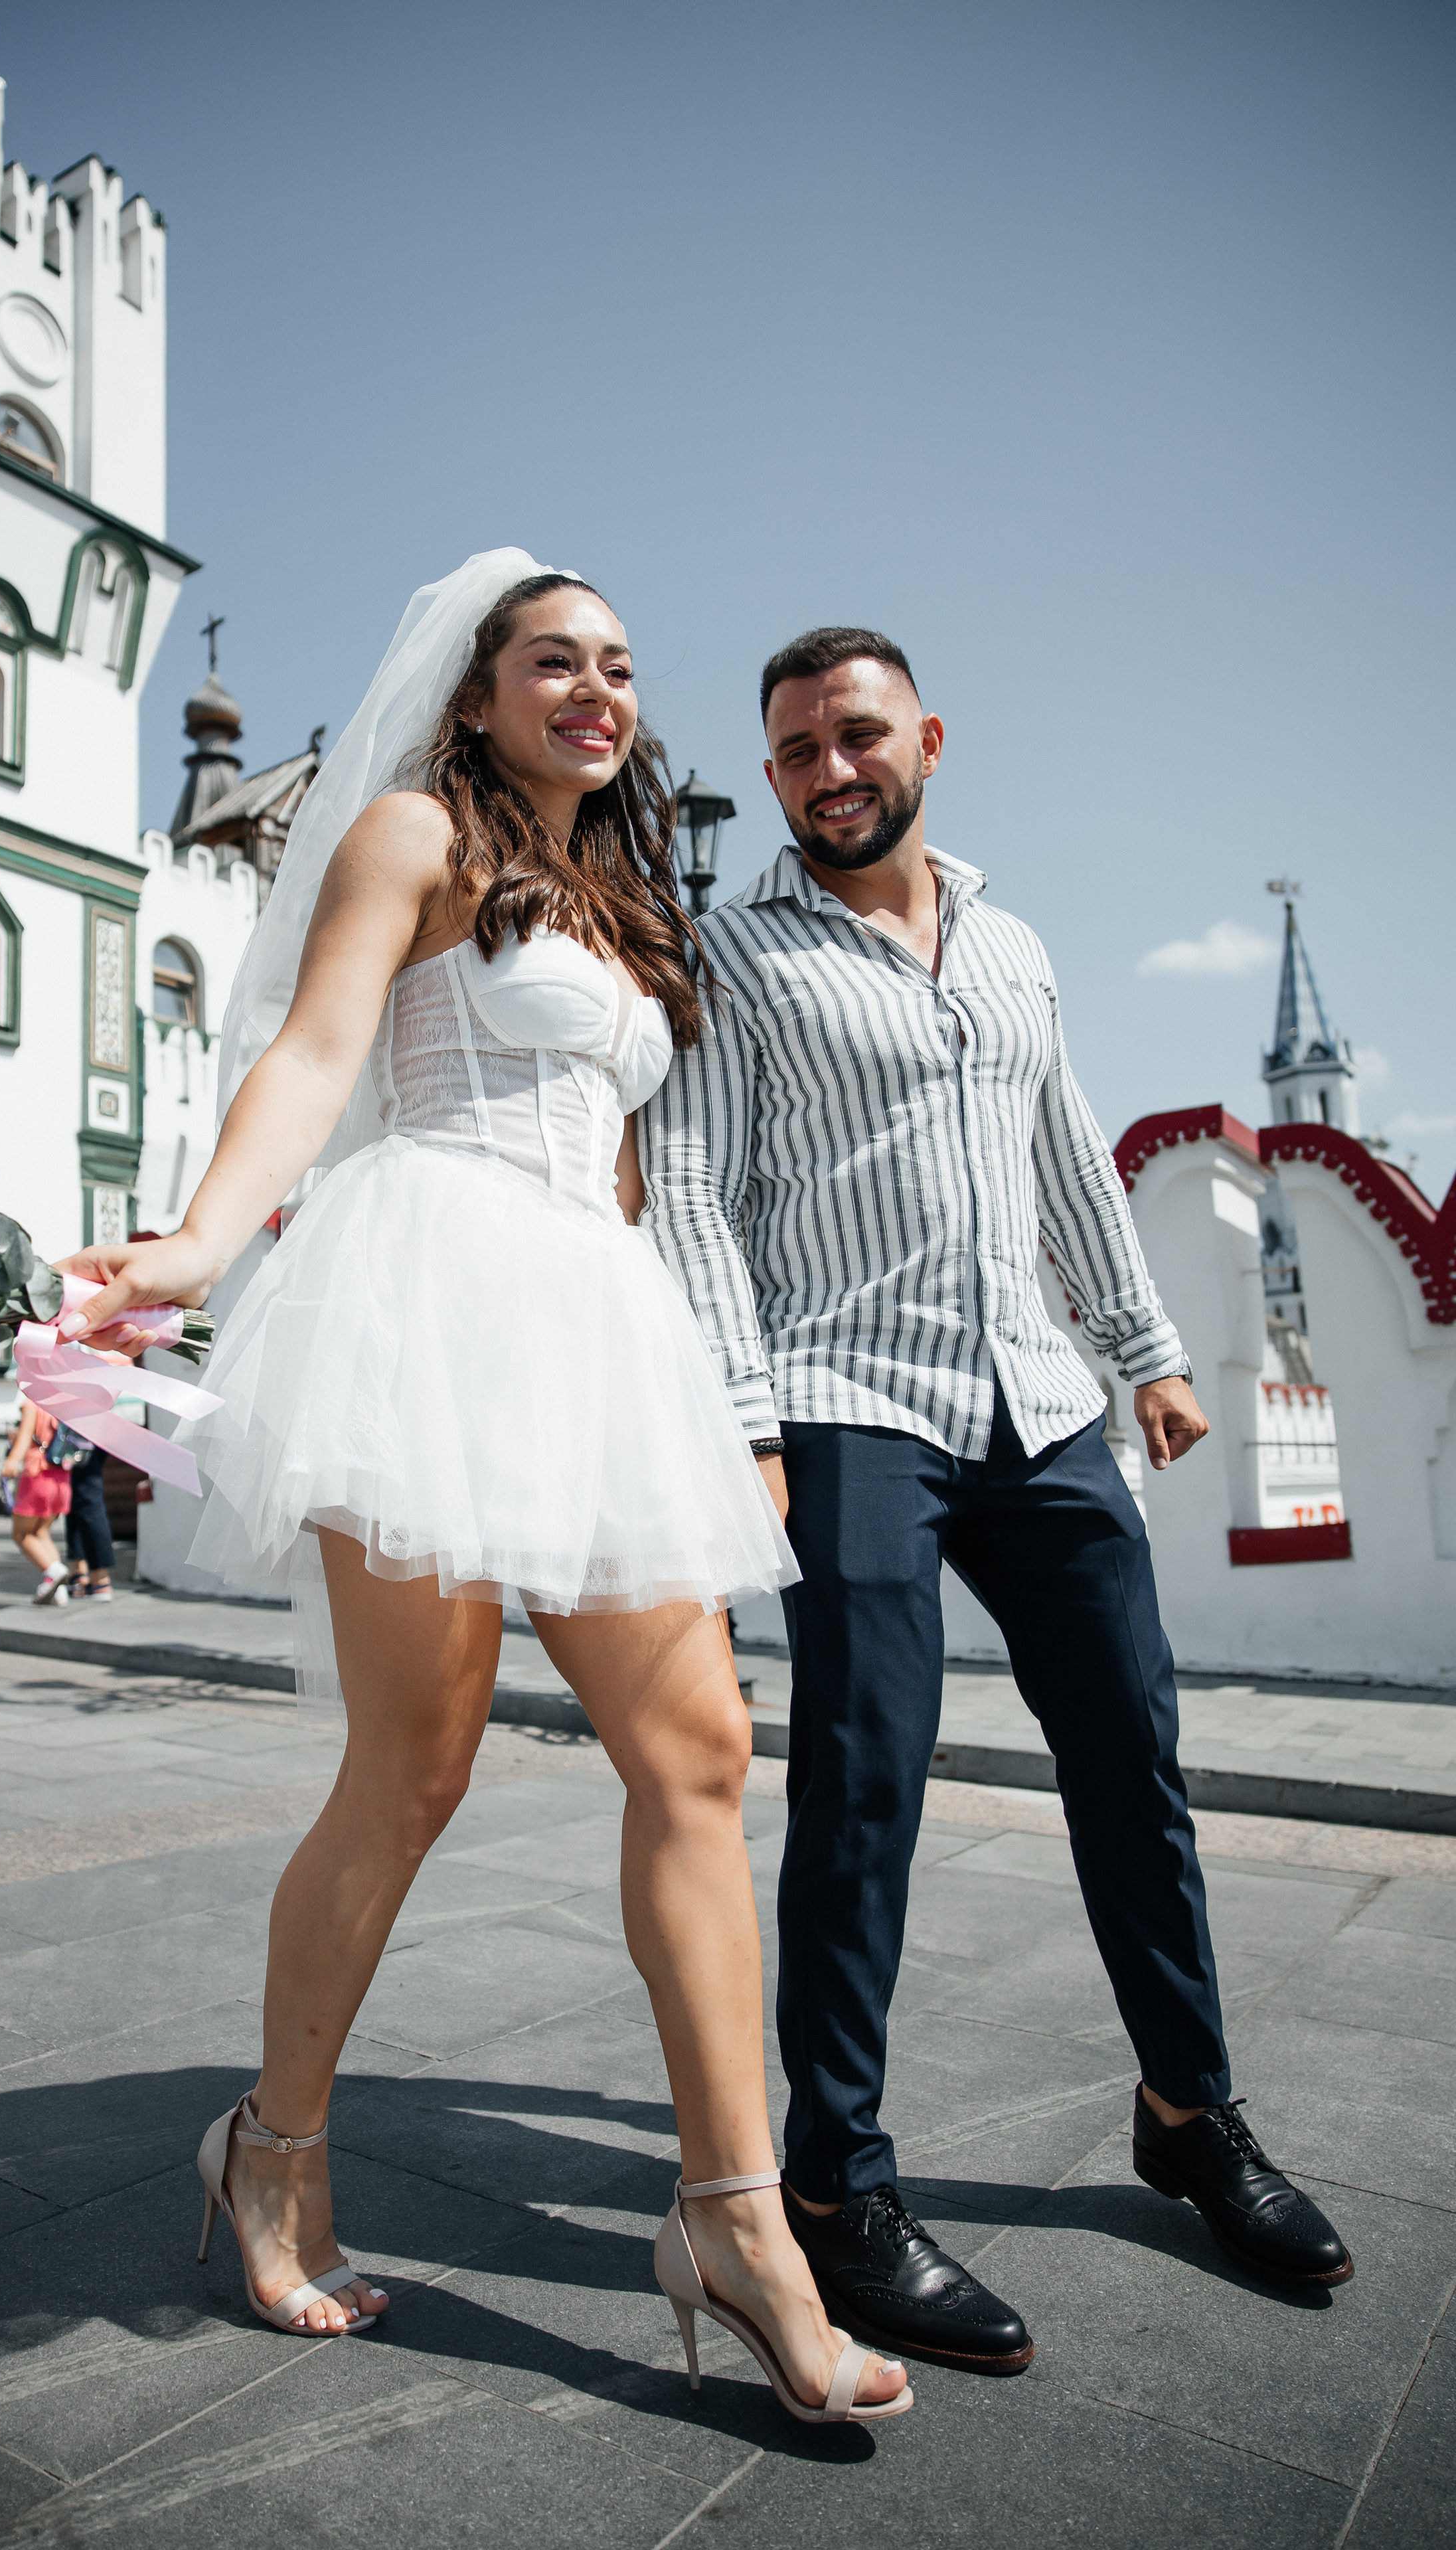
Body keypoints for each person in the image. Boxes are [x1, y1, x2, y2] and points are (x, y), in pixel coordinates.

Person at [53, 554, 909, 2426]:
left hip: (593, 1323)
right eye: (556, 662)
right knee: (415, 1769)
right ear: (480, 684)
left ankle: (735, 2222)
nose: (596, 692)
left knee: (697, 1755)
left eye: (616, 666)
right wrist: (202, 1240)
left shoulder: (615, 889)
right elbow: (316, 1050)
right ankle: (272, 2145)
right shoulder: (409, 832)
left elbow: (631, 1160)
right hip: (430, 1289)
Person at [639, 624, 1354, 2377]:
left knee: (1135, 1754)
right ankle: (836, 2188)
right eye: (797, 748)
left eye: (857, 736)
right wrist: (744, 1415)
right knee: (866, 1782)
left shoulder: (1014, 945)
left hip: (1041, 1411)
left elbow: (1063, 1149)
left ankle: (1190, 2114)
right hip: (846, 1402)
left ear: (928, 741)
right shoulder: (731, 955)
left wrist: (1147, 1349)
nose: (828, 772)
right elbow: (692, 1188)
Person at [3, 1397, 72, 1604]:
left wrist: (11, 1461)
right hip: (62, 1478)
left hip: (38, 1474)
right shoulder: (66, 1403)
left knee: (21, 1533)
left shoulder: (34, 1404)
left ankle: (54, 1571)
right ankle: (59, 1593)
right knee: (41, 1532)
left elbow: (25, 1437)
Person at [64, 1442, 116, 1603]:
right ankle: (79, 1572)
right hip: (84, 1429)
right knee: (74, 1496)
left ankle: (100, 1579)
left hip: (84, 1430)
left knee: (87, 1496)